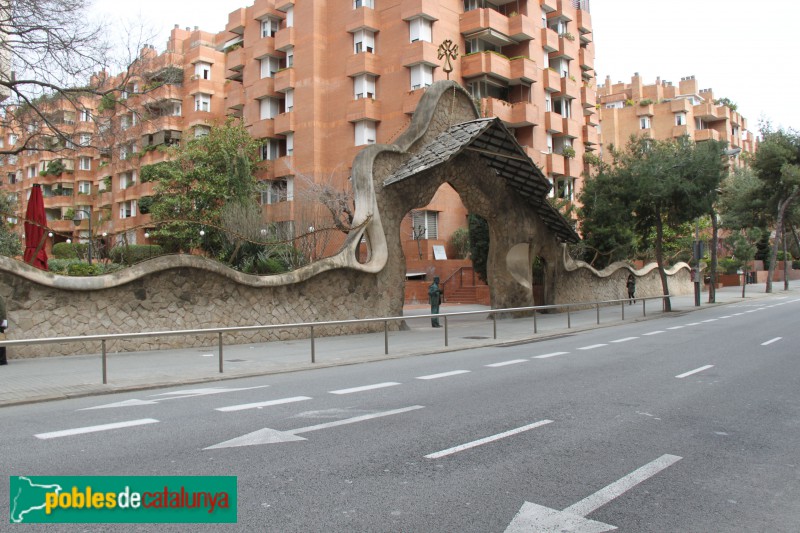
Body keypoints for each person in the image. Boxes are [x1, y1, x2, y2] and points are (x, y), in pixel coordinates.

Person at [0, 293, 7, 365]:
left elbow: (3, 312)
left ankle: (2, 360)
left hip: (0, 323)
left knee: (1, 341)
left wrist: (4, 325)